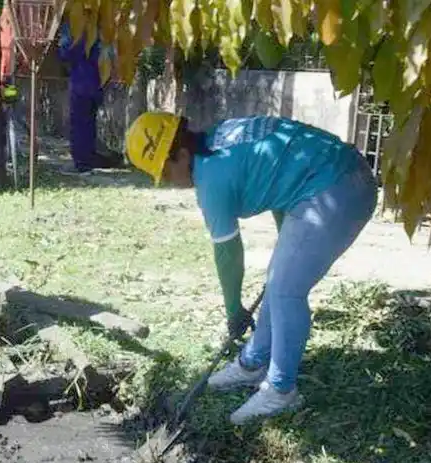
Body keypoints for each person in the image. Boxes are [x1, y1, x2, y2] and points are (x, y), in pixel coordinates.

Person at [125, 112, 378, 424]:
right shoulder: (223, 135)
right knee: (280, 278)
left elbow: (228, 253)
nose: (168, 184)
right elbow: (280, 180)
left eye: (165, 174)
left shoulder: (211, 178)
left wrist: (234, 310)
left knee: (286, 290)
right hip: (334, 177)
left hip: (339, 188)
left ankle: (281, 391)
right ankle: (253, 363)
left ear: (181, 155)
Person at [57, 18, 120, 174]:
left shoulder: (75, 24)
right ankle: (90, 157)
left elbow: (66, 52)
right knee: (89, 122)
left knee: (79, 123)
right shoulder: (105, 22)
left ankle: (82, 162)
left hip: (81, 79)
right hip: (99, 80)